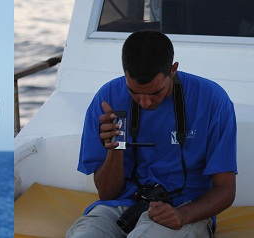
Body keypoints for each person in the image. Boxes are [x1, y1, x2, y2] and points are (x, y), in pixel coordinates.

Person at [67, 30, 237, 237]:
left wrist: (182, 214)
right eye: (134, 92)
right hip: (121, 206)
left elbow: (226, 191)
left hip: (183, 208)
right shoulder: (108, 96)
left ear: (173, 70)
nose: (145, 102)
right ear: (125, 74)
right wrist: (116, 147)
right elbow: (107, 194)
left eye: (155, 92)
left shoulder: (212, 100)